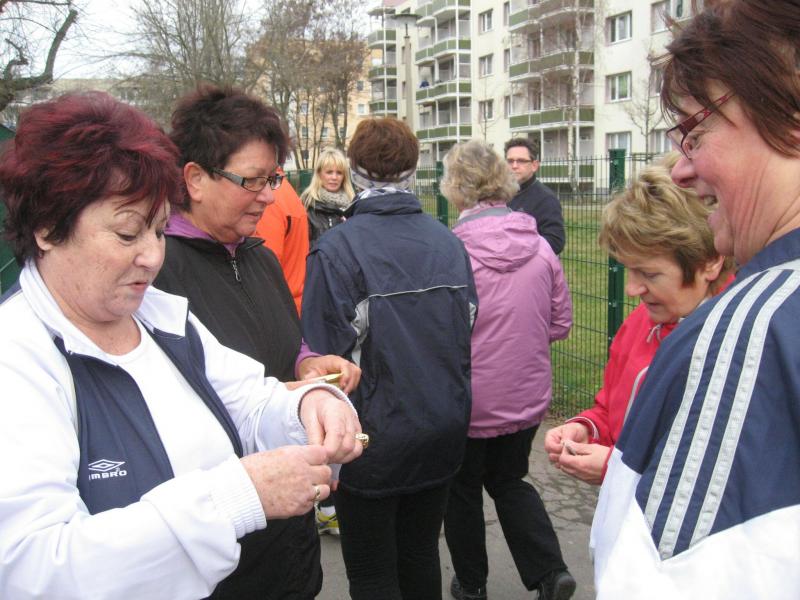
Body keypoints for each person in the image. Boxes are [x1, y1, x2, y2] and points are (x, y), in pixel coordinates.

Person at [0, 91, 364, 600]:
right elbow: (32, 568)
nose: (152, 256)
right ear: (47, 227)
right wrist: (235, 497)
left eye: (157, 229)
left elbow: (245, 399)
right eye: (128, 233)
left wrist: (308, 404)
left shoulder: (159, 316)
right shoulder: (17, 359)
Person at [591, 2, 800, 598]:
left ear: (788, 114)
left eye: (694, 132)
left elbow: (666, 579)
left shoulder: (747, 337)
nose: (681, 169)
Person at [153, 85, 361, 598]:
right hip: (223, 551)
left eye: (273, 179)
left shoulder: (259, 257)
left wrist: (309, 365)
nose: (269, 196)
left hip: (291, 531)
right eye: (253, 180)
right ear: (195, 179)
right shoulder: (155, 275)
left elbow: (284, 344)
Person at [302, 118, 477, 600]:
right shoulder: (449, 243)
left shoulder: (336, 249)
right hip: (441, 424)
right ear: (413, 170)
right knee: (420, 553)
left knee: (373, 571)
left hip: (372, 437)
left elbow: (323, 356)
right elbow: (466, 327)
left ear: (354, 171)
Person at [544, 155, 733, 487]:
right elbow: (611, 408)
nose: (632, 289)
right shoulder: (642, 322)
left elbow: (718, 477)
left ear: (710, 263)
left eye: (650, 274)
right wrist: (587, 427)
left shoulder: (736, 344)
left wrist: (618, 469)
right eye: (629, 269)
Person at [439, 140, 575, 600]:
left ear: (456, 188)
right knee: (509, 480)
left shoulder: (450, 252)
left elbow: (441, 332)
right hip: (525, 396)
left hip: (469, 401)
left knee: (461, 490)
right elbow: (560, 323)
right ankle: (550, 571)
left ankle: (472, 584)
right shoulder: (540, 248)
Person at [255, 169, 310, 315]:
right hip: (293, 304)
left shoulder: (266, 199)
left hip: (279, 308)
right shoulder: (284, 190)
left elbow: (263, 272)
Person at [504, 137, 566, 255]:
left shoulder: (546, 199)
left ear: (534, 165)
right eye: (510, 161)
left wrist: (517, 248)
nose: (514, 166)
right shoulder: (498, 194)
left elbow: (555, 242)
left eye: (521, 161)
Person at [301, 146, 355, 246]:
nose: (334, 177)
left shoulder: (354, 206)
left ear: (344, 176)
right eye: (329, 172)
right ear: (319, 174)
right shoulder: (307, 205)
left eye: (339, 173)